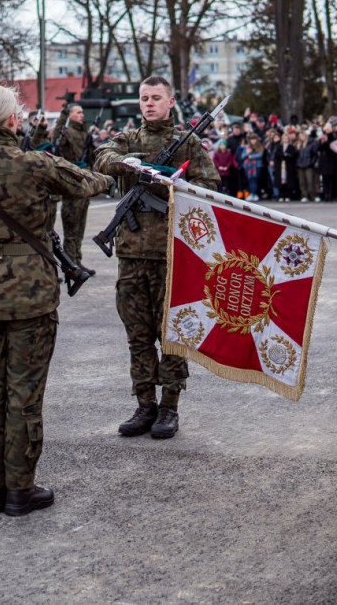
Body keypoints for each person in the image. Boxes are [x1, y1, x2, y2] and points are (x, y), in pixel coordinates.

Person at [0, 84, 113, 515]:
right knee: (24, 392)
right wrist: (115, 169)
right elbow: (90, 183)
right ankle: (20, 488)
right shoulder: (35, 164)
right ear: (14, 120)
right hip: (30, 295)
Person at [92, 76, 220, 438]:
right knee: (138, 335)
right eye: (144, 98)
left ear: (171, 101)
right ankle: (144, 403)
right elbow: (102, 157)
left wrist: (176, 185)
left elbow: (211, 187)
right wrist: (131, 165)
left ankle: (169, 407)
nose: (149, 104)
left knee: (173, 335)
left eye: (156, 98)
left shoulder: (187, 143)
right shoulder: (128, 140)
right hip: (132, 256)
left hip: (172, 255)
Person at [52, 104, 95, 270]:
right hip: (71, 183)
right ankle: (70, 263)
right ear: (70, 116)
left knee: (80, 226)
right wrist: (63, 116)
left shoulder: (85, 133)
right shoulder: (66, 132)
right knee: (71, 227)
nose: (82, 115)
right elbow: (56, 137)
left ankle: (77, 258)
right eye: (78, 112)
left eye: (82, 112)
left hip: (84, 182)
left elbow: (92, 155)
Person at [296, 130, 320, 202]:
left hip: (309, 165)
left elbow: (315, 154)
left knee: (310, 181)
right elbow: (297, 156)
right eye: (300, 136)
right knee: (302, 182)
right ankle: (304, 195)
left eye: (302, 136)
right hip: (300, 165)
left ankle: (313, 195)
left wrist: (311, 163)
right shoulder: (299, 145)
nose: (301, 137)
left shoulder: (311, 144)